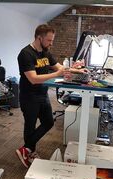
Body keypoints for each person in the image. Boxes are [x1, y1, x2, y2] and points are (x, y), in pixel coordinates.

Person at [16, 24, 87, 168]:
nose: (51, 43)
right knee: (30, 126)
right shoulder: (26, 54)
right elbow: (33, 78)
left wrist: (78, 70)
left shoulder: (46, 52)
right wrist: (56, 74)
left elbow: (60, 67)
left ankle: (26, 149)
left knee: (48, 122)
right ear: (39, 37)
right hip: (29, 96)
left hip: (42, 94)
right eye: (49, 40)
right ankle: (29, 152)